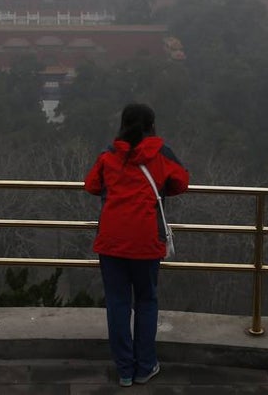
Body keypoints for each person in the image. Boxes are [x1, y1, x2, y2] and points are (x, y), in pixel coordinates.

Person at [84, 103, 189, 387]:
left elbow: (92, 185)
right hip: (146, 240)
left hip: (112, 240)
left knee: (117, 304)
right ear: (151, 125)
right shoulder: (161, 153)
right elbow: (182, 182)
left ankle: (124, 371)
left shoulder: (109, 154)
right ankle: (145, 366)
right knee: (146, 301)